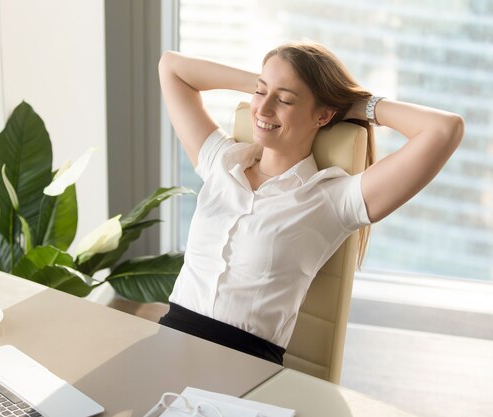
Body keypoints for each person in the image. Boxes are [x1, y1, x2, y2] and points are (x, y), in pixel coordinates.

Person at [157, 41, 464, 365]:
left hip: (243, 366)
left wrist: (353, 103)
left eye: (286, 100)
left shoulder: (331, 200)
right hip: (168, 343)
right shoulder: (221, 161)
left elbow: (444, 129)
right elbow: (171, 67)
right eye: (260, 94)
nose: (262, 110)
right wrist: (271, 84)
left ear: (324, 115)